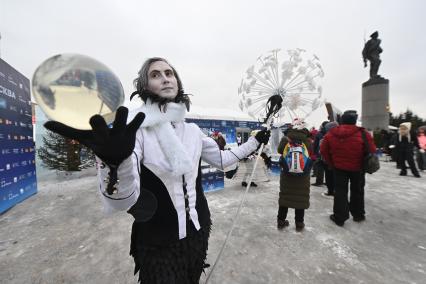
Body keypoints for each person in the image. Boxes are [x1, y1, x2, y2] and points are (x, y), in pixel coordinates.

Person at [44, 57, 270, 283]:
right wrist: (115, 163)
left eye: (169, 73)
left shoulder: (192, 131)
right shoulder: (139, 131)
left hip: (198, 232)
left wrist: (255, 141)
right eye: (155, 75)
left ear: (178, 82)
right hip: (158, 243)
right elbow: (121, 200)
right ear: (144, 86)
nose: (164, 78)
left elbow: (223, 160)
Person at [320, 110, 376, 226]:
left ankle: (340, 217)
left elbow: (323, 150)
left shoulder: (331, 133)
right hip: (358, 168)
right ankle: (358, 214)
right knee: (358, 191)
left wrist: (331, 163)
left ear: (342, 120)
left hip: (339, 168)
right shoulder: (363, 133)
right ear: (355, 120)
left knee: (340, 192)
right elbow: (372, 150)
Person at [276, 120, 311, 232]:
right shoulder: (307, 139)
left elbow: (280, 150)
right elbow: (312, 152)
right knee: (300, 198)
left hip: (287, 173)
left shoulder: (286, 138)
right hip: (303, 175)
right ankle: (299, 223)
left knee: (285, 196)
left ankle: (281, 221)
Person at [320, 121, 339, 197]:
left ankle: (330, 190)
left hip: (328, 161)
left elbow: (322, 150)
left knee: (329, 176)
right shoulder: (341, 136)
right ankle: (336, 190)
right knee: (337, 176)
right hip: (339, 161)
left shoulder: (326, 137)